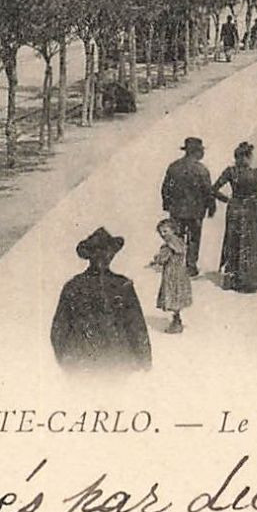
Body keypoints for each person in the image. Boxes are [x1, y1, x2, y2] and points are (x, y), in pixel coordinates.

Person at [50, 227, 152, 372]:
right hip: (115, 363)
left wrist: (69, 363)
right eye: (101, 254)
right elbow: (137, 327)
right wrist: (144, 362)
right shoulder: (122, 285)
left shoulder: (73, 285)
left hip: (86, 364)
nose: (103, 258)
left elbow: (58, 331)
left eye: (104, 253)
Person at [213, 142, 257, 292]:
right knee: (254, 243)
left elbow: (213, 189)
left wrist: (228, 200)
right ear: (247, 157)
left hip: (235, 210)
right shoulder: (255, 173)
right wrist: (253, 199)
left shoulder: (230, 171)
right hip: (252, 210)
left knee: (234, 242)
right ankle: (254, 278)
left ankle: (235, 279)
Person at [160, 137, 216, 277]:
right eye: (201, 151)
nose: (202, 153)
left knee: (177, 236)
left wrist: (167, 204)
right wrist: (211, 207)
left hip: (177, 210)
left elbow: (165, 188)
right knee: (194, 238)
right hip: (195, 212)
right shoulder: (201, 169)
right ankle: (191, 266)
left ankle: (176, 263)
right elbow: (208, 191)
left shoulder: (174, 167)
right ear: (196, 152)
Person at [150, 218, 193, 333]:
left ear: (173, 230)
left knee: (172, 297)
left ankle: (176, 323)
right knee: (178, 296)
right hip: (181, 273)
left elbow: (162, 258)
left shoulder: (169, 246)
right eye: (161, 232)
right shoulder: (180, 242)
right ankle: (177, 320)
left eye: (165, 231)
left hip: (171, 274)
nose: (163, 235)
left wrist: (156, 260)